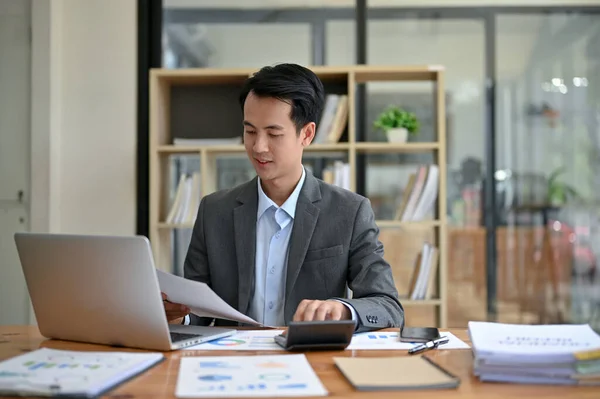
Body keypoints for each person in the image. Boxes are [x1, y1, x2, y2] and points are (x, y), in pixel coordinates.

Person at [162, 63, 404, 332]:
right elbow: (198, 310)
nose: (258, 147)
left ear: (307, 134)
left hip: (311, 359)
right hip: (232, 360)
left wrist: (343, 309)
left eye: (274, 134)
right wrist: (178, 315)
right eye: (250, 131)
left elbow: (388, 305)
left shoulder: (349, 211)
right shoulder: (214, 210)